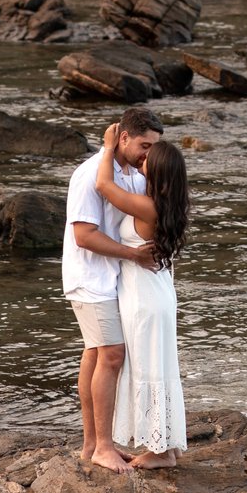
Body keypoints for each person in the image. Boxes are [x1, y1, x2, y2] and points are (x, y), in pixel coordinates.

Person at [62, 105, 163, 473]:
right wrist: (133, 255)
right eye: (144, 145)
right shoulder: (89, 174)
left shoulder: (133, 174)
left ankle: (92, 444)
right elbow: (84, 235)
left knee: (96, 353)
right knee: (112, 355)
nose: (148, 154)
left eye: (154, 148)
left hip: (113, 279)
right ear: (123, 138)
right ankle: (103, 446)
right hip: (90, 279)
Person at [95, 121, 189, 469]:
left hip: (145, 298)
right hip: (158, 293)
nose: (143, 158)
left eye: (151, 157)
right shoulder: (169, 205)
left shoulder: (148, 207)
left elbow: (103, 185)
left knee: (149, 368)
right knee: (160, 367)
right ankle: (167, 446)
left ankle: (160, 452)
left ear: (159, 173)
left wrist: (108, 146)